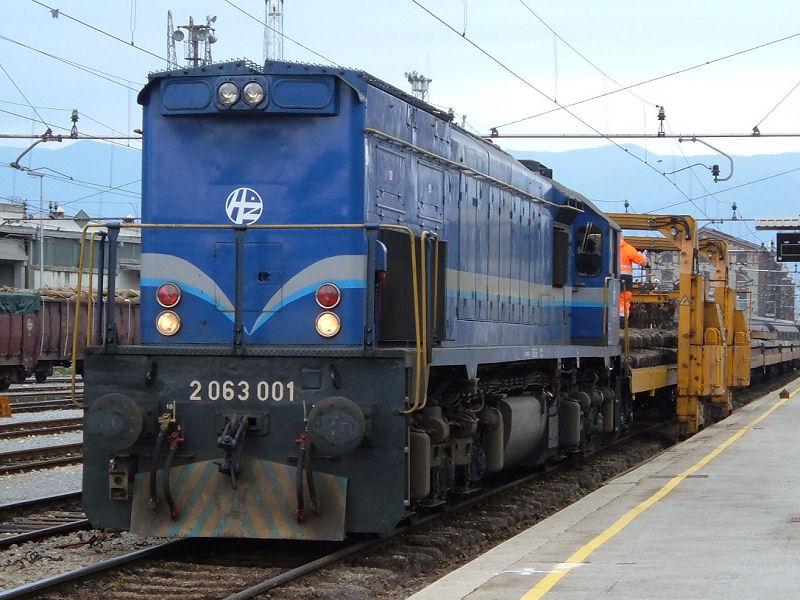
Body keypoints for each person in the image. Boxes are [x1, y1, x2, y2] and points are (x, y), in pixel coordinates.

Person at [619, 234, 649, 326]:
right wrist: (647, 263)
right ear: (622, 238)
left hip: (609, 277)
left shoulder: (606, 246)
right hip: (625, 279)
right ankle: (621, 320)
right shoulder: (628, 248)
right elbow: (641, 261)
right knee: (624, 299)